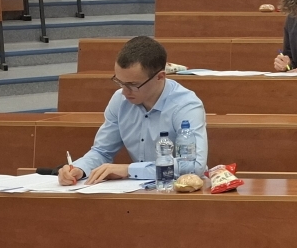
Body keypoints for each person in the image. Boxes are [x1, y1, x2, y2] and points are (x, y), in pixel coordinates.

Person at [59, 35, 207, 185]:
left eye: (133, 85)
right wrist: (79, 168)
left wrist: (130, 170)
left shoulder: (186, 106)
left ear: (160, 77)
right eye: (119, 82)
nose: (124, 92)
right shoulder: (120, 100)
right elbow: (102, 151)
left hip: (177, 190)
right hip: (139, 189)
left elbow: (194, 166)